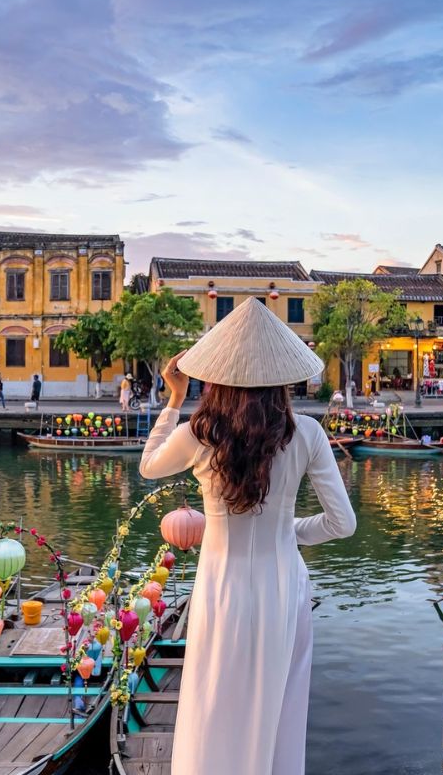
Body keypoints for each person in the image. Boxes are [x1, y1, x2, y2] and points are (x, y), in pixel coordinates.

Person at [138, 298, 355, 775]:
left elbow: (148, 466)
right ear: (282, 376)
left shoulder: (200, 433)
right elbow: (343, 524)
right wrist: (290, 531)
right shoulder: (310, 434)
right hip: (285, 588)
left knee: (215, 704)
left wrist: (174, 398)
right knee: (280, 707)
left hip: (222, 587)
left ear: (217, 374)